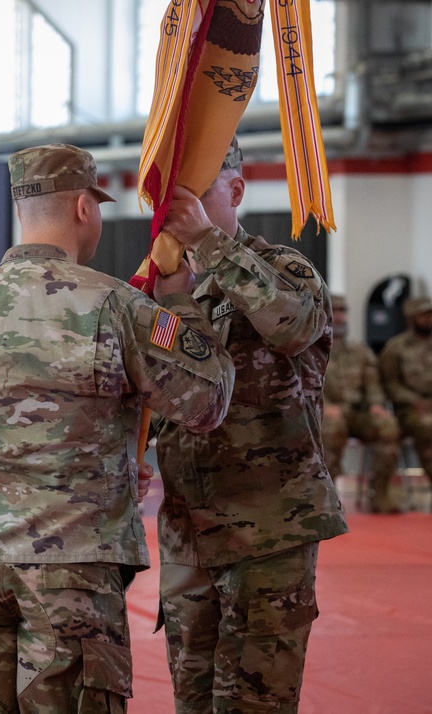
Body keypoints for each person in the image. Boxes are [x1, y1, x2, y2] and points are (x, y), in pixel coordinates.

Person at [0, 143, 234, 712]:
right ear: (85, 208)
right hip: (70, 567)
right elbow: (206, 401)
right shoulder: (115, 307)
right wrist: (180, 304)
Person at [154, 138, 348, 714]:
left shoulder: (287, 269)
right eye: (172, 194)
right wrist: (172, 304)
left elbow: (292, 327)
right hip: (188, 534)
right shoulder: (166, 287)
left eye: (197, 189)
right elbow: (163, 392)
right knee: (193, 699)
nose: (179, 204)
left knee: (255, 702)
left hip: (269, 529)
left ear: (235, 190)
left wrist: (206, 243)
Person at [321, 295, 402, 513]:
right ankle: (329, 497)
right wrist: (325, 406)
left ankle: (379, 493)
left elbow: (373, 384)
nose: (339, 316)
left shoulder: (360, 351)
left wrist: (377, 405)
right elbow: (306, 386)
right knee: (331, 428)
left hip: (358, 413)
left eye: (343, 311)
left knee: (388, 426)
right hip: (326, 413)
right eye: (335, 310)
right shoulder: (312, 349)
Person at [379, 295, 432, 489]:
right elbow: (389, 385)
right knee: (428, 425)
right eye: (424, 315)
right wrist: (413, 400)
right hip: (409, 410)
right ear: (411, 318)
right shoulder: (396, 348)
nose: (428, 319)